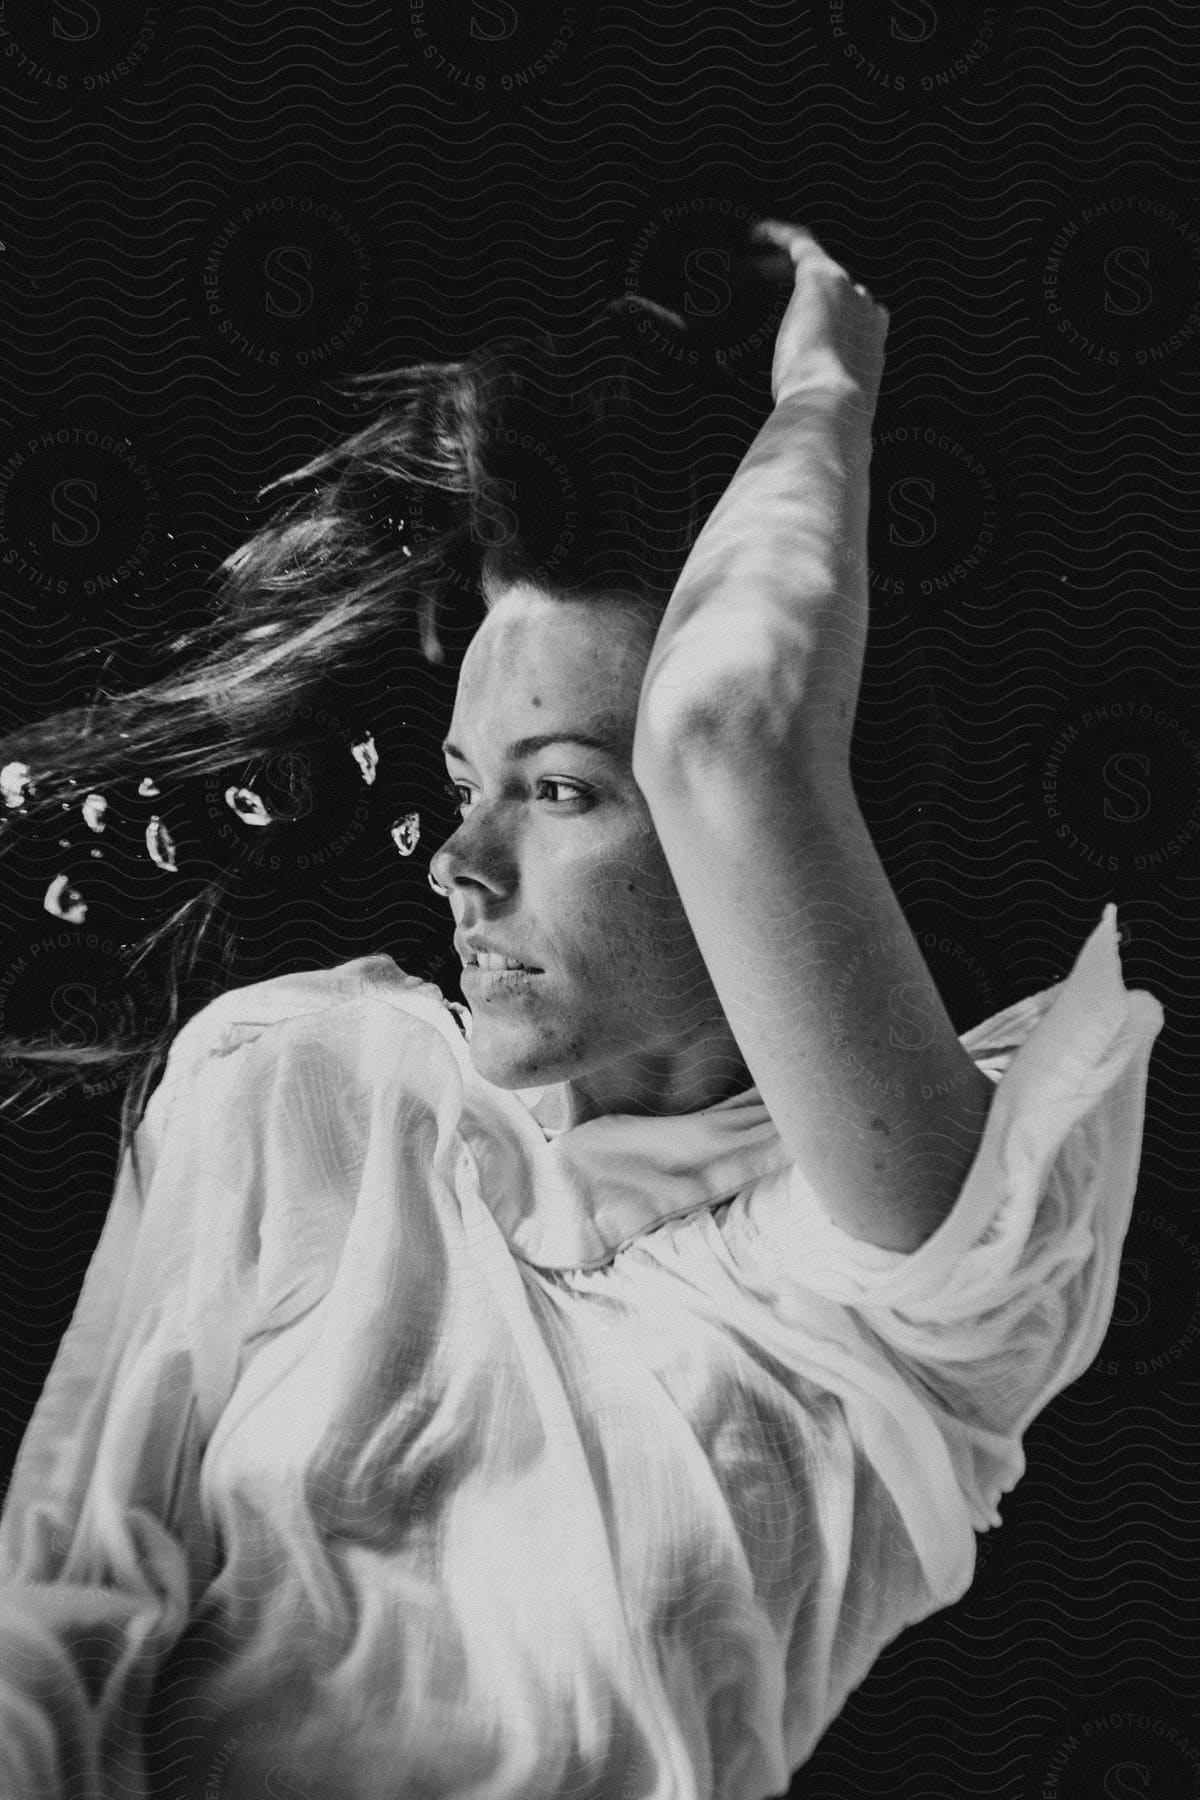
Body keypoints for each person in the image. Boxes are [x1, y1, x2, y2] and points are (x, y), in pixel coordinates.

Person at [0, 222, 1164, 1800]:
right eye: (464, 786)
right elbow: (55, 1612)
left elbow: (732, 730)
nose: (456, 860)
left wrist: (827, 377)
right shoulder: (302, 1085)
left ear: (784, 837)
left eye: (559, 789)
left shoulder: (933, 1253)